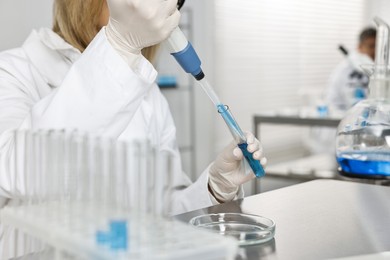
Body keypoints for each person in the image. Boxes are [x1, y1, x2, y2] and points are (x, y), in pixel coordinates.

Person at [0, 0, 266, 258]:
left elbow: (161, 212)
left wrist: (214, 188)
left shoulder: (148, 95)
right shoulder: (14, 71)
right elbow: (14, 171)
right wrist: (119, 44)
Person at [325, 27, 376, 111]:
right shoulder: (343, 70)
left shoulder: (382, 72)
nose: (375, 51)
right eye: (371, 46)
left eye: (377, 47)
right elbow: (332, 101)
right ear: (360, 47)